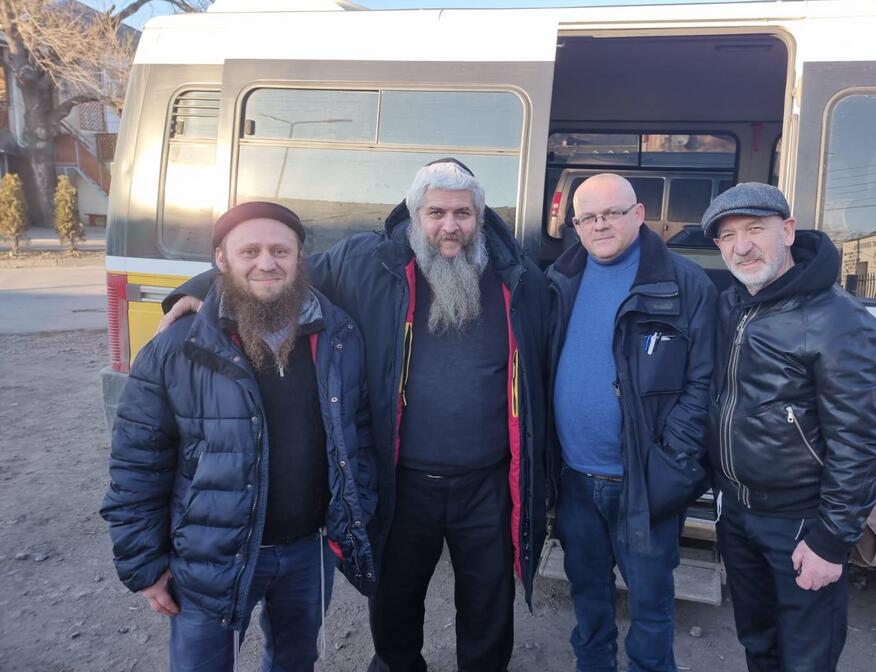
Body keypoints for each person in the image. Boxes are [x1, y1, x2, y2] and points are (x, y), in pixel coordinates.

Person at [159, 160, 548, 672]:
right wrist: (200, 286)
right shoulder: (366, 262)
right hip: (401, 480)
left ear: (480, 217)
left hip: (489, 484)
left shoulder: (519, 278)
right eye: (436, 212)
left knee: (487, 605)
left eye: (462, 213)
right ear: (414, 215)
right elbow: (278, 267)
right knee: (393, 601)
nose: (449, 226)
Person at [100, 201, 376, 672]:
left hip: (308, 552)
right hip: (211, 557)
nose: (266, 263)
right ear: (221, 260)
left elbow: (359, 435)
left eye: (279, 251)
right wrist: (145, 566)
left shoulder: (338, 337)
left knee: (294, 662)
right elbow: (136, 465)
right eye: (249, 251)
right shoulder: (176, 348)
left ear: (299, 259)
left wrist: (354, 515)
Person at [700, 182, 876, 672]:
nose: (741, 247)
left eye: (754, 230)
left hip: (801, 522)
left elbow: (861, 442)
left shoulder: (838, 320)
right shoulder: (733, 304)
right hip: (738, 515)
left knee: (806, 658)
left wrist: (832, 538)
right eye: (727, 237)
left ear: (787, 231)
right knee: (758, 644)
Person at [547, 173, 717, 672]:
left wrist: (670, 459)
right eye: (588, 217)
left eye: (612, 213)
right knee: (589, 597)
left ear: (639, 215)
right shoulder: (559, 282)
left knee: (650, 605)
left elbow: (705, 383)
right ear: (574, 226)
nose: (600, 225)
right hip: (575, 479)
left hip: (645, 484)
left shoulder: (686, 284)